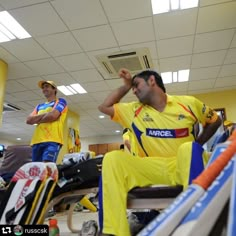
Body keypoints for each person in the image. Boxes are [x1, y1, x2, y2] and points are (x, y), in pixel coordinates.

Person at [98, 68, 222, 236]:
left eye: (136, 85)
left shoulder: (188, 103)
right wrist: (126, 85)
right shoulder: (133, 110)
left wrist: (197, 145)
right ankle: (114, 232)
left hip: (182, 164)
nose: (134, 90)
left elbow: (215, 120)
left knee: (190, 148)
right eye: (132, 88)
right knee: (112, 159)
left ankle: (194, 225)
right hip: (150, 167)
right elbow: (104, 106)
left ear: (151, 81)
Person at [26, 80, 68, 162]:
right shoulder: (39, 106)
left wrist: (37, 119)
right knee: (36, 169)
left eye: (47, 86)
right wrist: (47, 116)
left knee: (47, 168)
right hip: (36, 141)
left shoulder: (60, 101)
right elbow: (28, 120)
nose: (44, 89)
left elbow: (53, 115)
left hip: (52, 140)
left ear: (54, 89)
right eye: (43, 87)